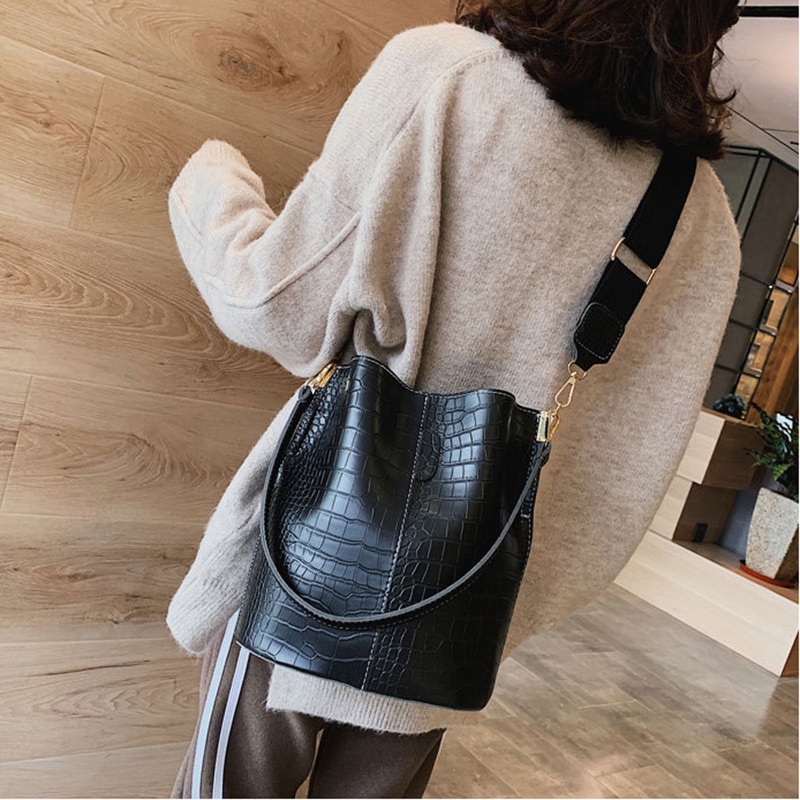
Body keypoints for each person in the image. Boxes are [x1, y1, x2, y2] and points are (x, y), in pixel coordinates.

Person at [166, 1, 743, 796]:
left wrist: (210, 177)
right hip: (455, 617)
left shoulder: (447, 74)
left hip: (304, 569)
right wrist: (491, 603)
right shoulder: (700, 217)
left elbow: (276, 305)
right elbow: (613, 490)